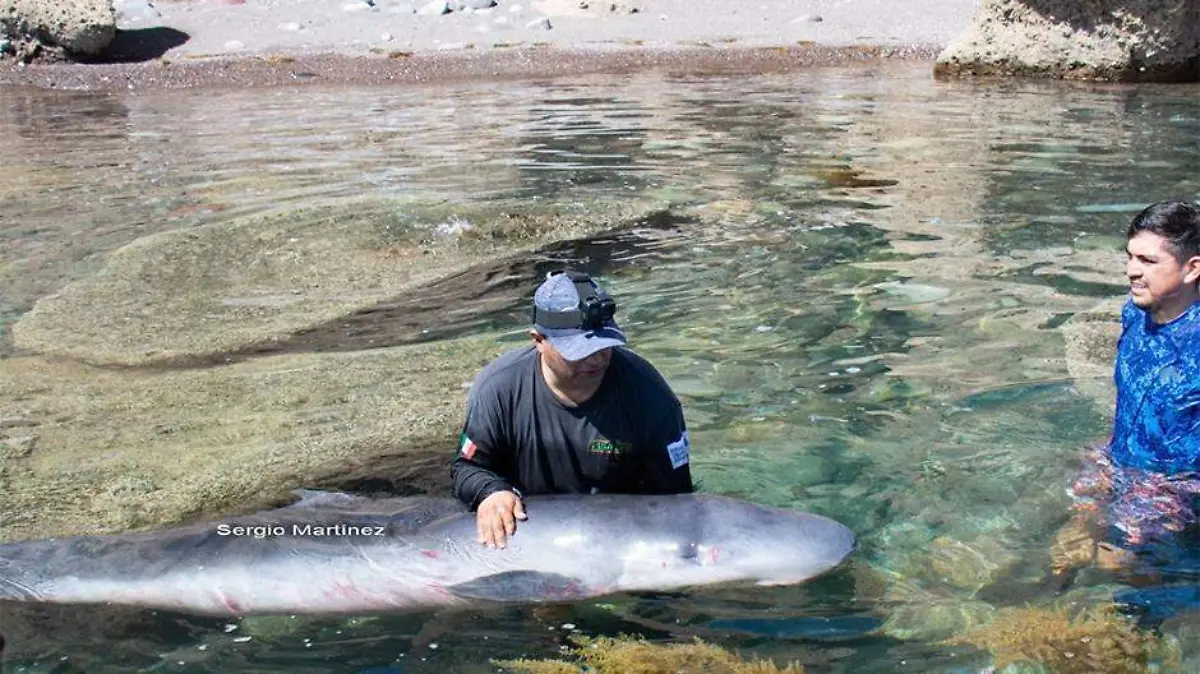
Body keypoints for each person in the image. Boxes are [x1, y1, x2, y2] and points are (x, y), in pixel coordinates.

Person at [450, 269, 694, 549]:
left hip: (620, 537)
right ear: (538, 340)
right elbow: (466, 468)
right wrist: (491, 492)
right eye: (578, 350)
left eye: (605, 345)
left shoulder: (650, 396)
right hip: (527, 532)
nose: (597, 360)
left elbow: (677, 502)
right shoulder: (499, 388)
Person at [1054, 199, 1200, 575]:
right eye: (1130, 257)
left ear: (1192, 268)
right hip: (1119, 456)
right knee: (1064, 548)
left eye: (1148, 261)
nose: (1132, 271)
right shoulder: (1134, 311)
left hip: (1175, 483)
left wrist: (1173, 492)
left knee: (1112, 565)